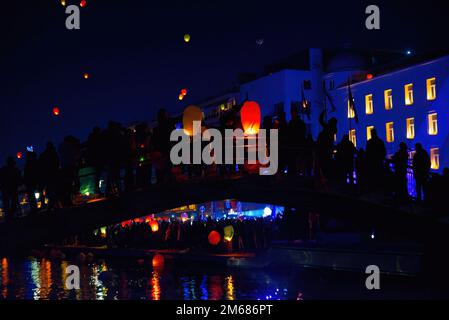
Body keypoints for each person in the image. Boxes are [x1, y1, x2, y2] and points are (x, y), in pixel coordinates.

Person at [0, 157, 22, 222]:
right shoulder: (16, 170)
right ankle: (11, 215)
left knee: (7, 203)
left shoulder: (3, 170)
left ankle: (8, 216)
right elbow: (19, 179)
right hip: (13, 188)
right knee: (14, 202)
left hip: (6, 189)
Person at [39, 142, 60, 209]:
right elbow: (57, 163)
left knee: (50, 191)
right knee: (55, 190)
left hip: (47, 176)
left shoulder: (43, 155)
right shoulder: (53, 154)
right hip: (53, 175)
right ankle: (54, 205)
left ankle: (51, 206)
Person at [288, 107, 306, 175]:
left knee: (297, 160)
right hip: (294, 144)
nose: (292, 114)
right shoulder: (294, 122)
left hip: (296, 144)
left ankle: (297, 172)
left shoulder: (298, 123)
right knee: (294, 161)